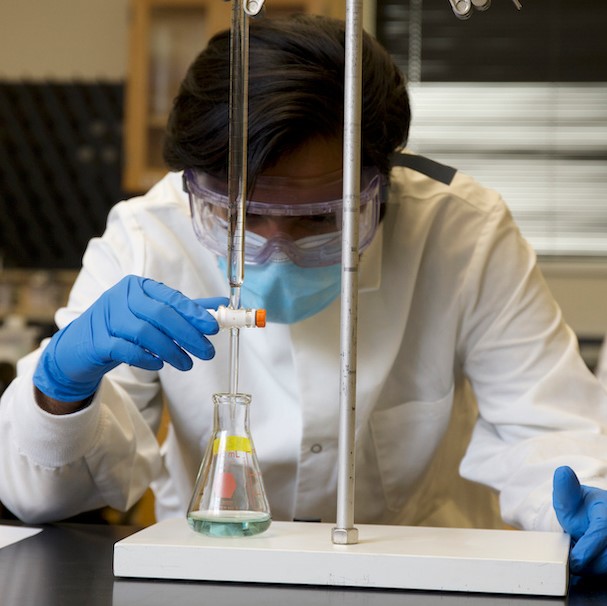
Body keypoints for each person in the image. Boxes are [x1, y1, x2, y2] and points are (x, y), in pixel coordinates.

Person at [1, 14, 607, 576]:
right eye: (240, 217)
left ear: (382, 182)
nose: (274, 248)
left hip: (414, 574)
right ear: (195, 185)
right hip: (210, 574)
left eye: (319, 219)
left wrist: (587, 504)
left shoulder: (461, 232)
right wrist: (60, 391)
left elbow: (545, 430)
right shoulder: (147, 235)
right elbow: (39, 499)